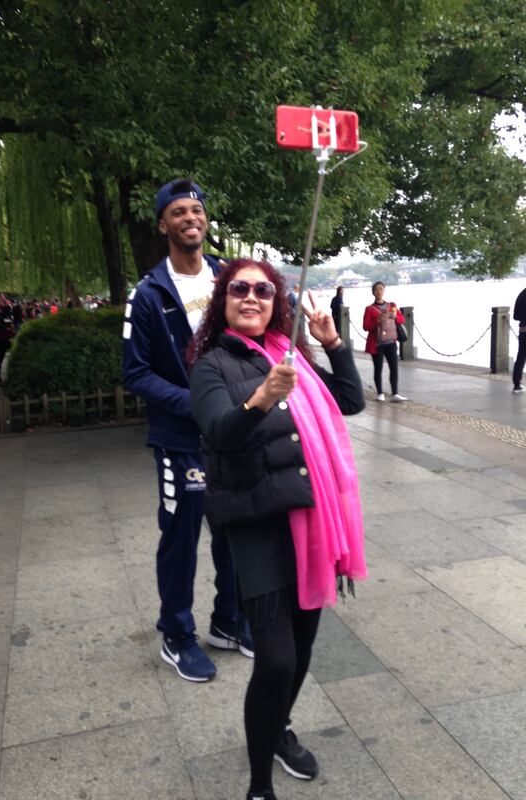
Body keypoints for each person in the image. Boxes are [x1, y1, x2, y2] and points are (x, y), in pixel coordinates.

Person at [188, 259, 366, 800]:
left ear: (275, 302)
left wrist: (334, 344)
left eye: (263, 290)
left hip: (310, 520)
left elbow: (352, 401)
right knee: (277, 659)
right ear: (223, 300)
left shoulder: (295, 358)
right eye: (238, 288)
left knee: (305, 644)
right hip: (258, 523)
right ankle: (260, 785)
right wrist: (261, 396)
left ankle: (278, 726)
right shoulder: (210, 365)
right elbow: (220, 431)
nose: (251, 297)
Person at [122, 178, 248, 683]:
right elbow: (136, 373)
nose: (190, 218)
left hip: (232, 432)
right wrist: (194, 404)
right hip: (181, 439)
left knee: (233, 528)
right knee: (180, 535)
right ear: (163, 224)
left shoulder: (229, 280)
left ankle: (228, 620)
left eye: (196, 209)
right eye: (178, 212)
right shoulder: (148, 294)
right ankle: (176, 634)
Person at [363, 281, 407, 402]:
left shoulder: (391, 305)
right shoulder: (369, 309)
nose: (379, 291)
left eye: (381, 289)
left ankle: (395, 393)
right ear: (373, 292)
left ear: (384, 290)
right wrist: (377, 320)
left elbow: (401, 320)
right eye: (376, 289)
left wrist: (395, 316)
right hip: (377, 344)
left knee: (394, 367)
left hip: (391, 342)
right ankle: (380, 393)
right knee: (378, 368)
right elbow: (366, 326)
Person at [512, 286, 526, 393]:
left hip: (523, 330)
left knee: (521, 357)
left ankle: (517, 384)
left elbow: (515, 316)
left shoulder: (521, 295)